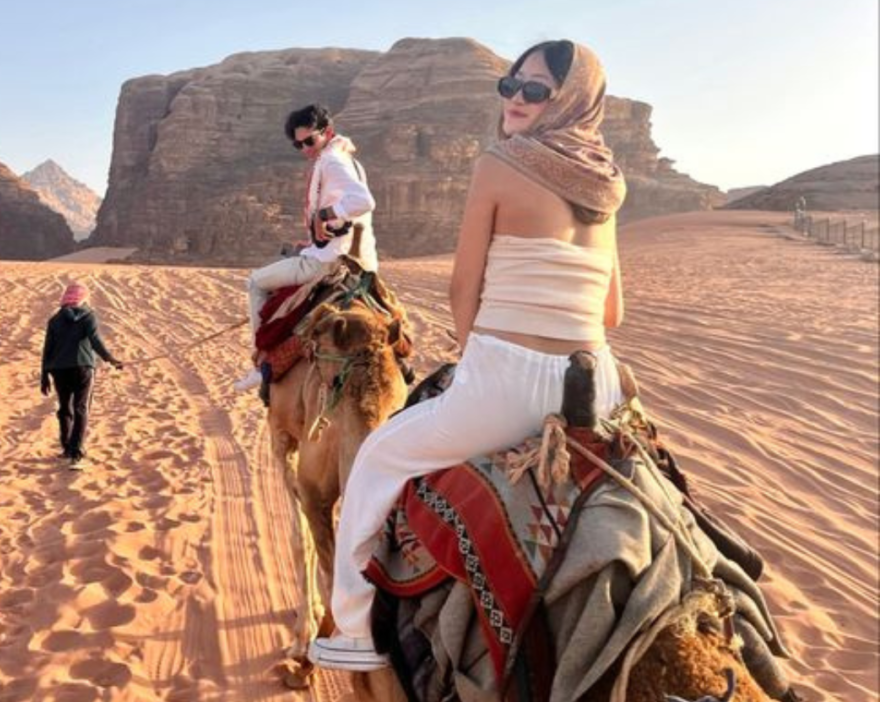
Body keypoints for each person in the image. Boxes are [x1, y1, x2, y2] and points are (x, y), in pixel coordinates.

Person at [309, 40, 628, 671]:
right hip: (598, 383)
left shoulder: (501, 162)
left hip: (508, 383)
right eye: (509, 84)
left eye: (534, 90)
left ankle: (350, 631)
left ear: (566, 99)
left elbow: (464, 288)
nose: (514, 98)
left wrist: (474, 362)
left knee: (376, 458)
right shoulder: (607, 186)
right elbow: (613, 312)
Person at [235, 103, 379, 391]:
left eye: (309, 141)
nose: (305, 149)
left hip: (328, 261)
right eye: (298, 144)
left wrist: (324, 216)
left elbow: (364, 201)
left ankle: (263, 361)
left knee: (256, 282)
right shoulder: (349, 160)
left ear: (327, 132)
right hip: (358, 260)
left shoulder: (331, 162)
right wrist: (313, 237)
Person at [40, 282, 123, 466]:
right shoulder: (88, 316)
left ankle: (67, 448)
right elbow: (95, 341)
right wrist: (111, 359)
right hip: (83, 368)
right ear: (83, 298)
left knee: (65, 409)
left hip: (59, 370)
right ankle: (76, 452)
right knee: (81, 408)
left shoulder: (54, 320)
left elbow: (48, 350)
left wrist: (44, 376)